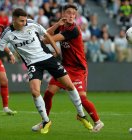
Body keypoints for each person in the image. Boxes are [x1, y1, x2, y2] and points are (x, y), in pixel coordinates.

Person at [0, 8, 93, 134]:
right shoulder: (7, 33)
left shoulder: (32, 24)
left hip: (47, 57)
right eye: (21, 21)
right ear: (14, 20)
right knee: (35, 92)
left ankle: (81, 115)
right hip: (32, 63)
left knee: (69, 85)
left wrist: (56, 50)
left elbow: (46, 35)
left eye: (25, 20)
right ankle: (46, 121)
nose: (24, 23)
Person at [43, 4, 104, 132]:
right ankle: (45, 121)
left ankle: (98, 122)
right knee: (48, 94)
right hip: (65, 67)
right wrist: (57, 24)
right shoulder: (61, 25)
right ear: (63, 14)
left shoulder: (73, 29)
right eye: (68, 12)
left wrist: (45, 39)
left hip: (78, 69)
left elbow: (47, 39)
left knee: (82, 98)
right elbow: (46, 34)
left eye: (73, 13)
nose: (71, 15)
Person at [0, 9, 16, 115]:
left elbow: (3, 44)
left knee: (4, 81)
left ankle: (5, 107)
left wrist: (10, 54)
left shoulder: (1, 28)